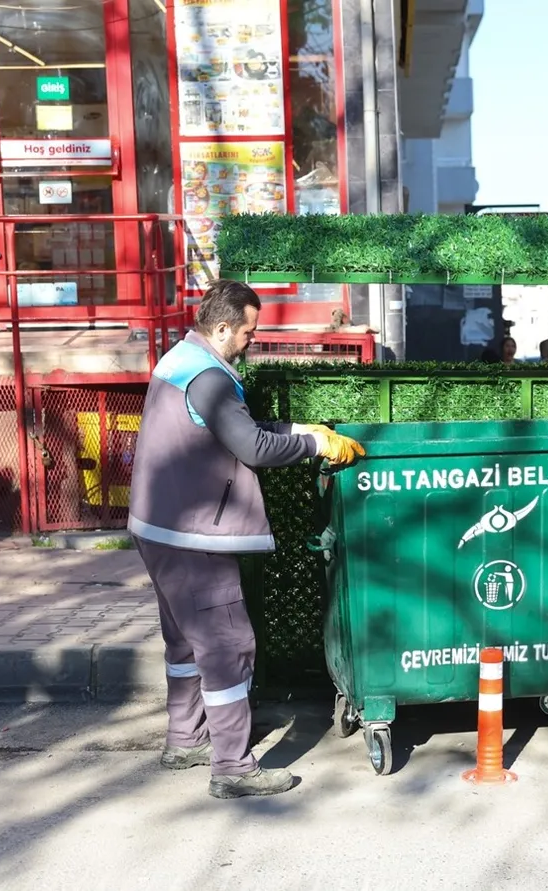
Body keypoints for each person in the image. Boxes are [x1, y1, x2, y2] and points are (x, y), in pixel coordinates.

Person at [127, 279, 364, 800]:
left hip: (157, 525)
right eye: (248, 333)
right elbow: (252, 447)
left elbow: (233, 429)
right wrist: (311, 443)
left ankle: (185, 738)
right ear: (222, 327)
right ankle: (233, 766)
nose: (251, 342)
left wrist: (298, 426)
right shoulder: (210, 377)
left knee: (185, 642)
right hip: (194, 536)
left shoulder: (179, 360)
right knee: (228, 645)